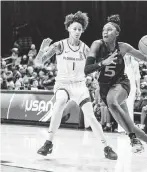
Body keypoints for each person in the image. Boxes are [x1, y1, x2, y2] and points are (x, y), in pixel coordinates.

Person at [34, 11, 117, 160]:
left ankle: (106, 147)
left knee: (91, 117)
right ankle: (48, 143)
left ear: (83, 30)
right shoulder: (59, 45)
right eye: (74, 29)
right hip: (63, 84)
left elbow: (93, 66)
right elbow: (38, 62)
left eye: (80, 29)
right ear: (68, 29)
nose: (77, 32)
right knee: (59, 103)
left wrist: (97, 72)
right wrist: (41, 50)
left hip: (80, 86)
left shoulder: (86, 49)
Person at [84, 14, 147, 161]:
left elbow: (145, 58)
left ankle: (133, 140)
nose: (105, 32)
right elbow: (87, 69)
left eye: (109, 29)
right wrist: (103, 63)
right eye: (104, 29)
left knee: (112, 102)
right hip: (104, 88)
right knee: (129, 125)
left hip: (121, 84)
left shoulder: (123, 47)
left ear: (117, 33)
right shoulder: (97, 44)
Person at [118, 54, 141, 133]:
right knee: (121, 106)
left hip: (132, 87)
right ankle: (121, 128)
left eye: (128, 53)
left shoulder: (135, 63)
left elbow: (137, 76)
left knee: (129, 106)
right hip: (122, 86)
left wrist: (138, 88)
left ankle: (130, 128)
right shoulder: (120, 63)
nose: (127, 55)